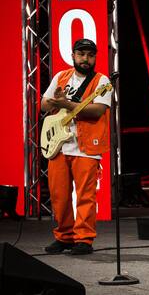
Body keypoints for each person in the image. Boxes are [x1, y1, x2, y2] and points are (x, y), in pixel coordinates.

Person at [41, 38, 112, 255]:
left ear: (95, 57)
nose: (85, 59)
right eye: (81, 54)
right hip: (59, 146)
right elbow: (44, 104)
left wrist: (66, 103)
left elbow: (97, 110)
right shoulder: (61, 77)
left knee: (85, 196)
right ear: (73, 55)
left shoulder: (102, 81)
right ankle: (64, 237)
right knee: (59, 195)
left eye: (90, 55)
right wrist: (56, 102)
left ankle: (84, 239)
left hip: (86, 146)